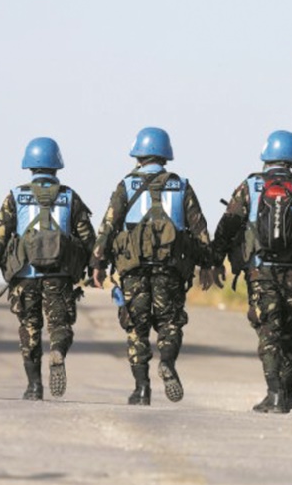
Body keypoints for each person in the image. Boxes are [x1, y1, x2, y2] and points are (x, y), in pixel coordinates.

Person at [205, 130, 292, 414]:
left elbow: (228, 225)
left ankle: (274, 393)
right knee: (289, 331)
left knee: (268, 330)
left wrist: (215, 260)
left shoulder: (252, 185)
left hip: (261, 271)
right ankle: (287, 391)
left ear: (267, 155)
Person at [91, 127, 214, 406]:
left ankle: (142, 388)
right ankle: (167, 362)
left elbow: (108, 227)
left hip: (133, 269)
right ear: (165, 154)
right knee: (169, 321)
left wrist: (98, 264)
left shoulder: (126, 185)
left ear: (139, 154)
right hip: (169, 268)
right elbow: (200, 229)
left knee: (137, 326)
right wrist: (208, 264)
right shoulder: (181, 185)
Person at [0, 137, 96, 401]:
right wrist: (96, 269)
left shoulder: (15, 197)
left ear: (29, 165)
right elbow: (88, 239)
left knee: (29, 327)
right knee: (60, 324)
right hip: (59, 276)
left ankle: (34, 386)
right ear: (57, 165)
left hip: (24, 277)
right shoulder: (69, 197)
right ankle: (58, 351)